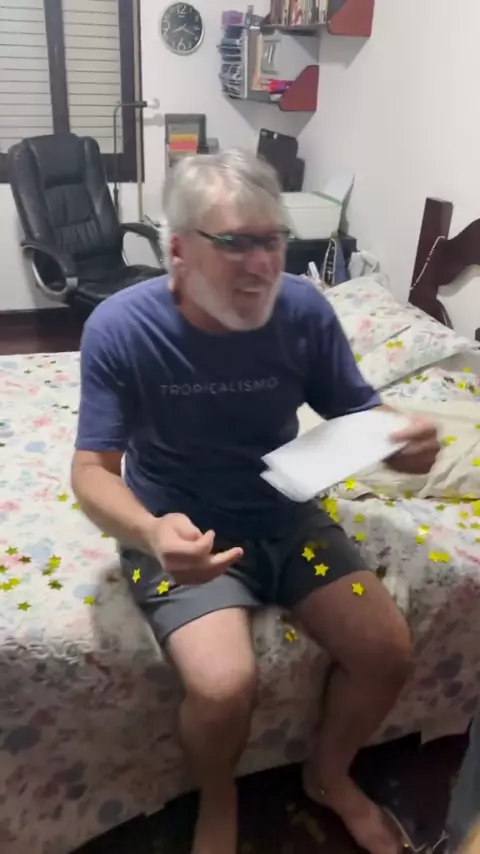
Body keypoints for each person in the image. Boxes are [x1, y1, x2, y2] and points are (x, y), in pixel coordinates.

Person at [71, 150, 439, 854]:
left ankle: (328, 775)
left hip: (285, 514)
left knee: (386, 651)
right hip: (182, 531)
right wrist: (150, 531)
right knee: (222, 686)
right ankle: (219, 797)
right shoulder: (121, 328)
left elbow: (356, 410)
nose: (262, 264)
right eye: (234, 242)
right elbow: (91, 472)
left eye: (272, 239)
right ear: (178, 251)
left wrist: (400, 438)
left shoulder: (304, 310)